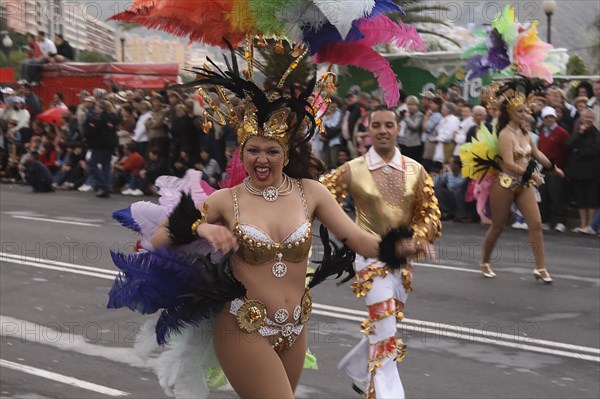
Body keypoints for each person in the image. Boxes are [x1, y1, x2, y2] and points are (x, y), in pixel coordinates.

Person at [321, 105, 441, 398]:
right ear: (368, 131)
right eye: (377, 125)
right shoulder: (353, 169)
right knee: (386, 332)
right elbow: (319, 197)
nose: (384, 130)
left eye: (389, 125)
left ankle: (359, 370)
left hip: (402, 263)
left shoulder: (416, 170)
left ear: (398, 129)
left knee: (384, 323)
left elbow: (431, 213)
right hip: (369, 262)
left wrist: (418, 237)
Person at [463, 82, 564, 283]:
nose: (524, 113)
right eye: (519, 110)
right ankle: (484, 261)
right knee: (498, 227)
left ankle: (540, 268)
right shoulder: (505, 135)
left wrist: (553, 167)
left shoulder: (525, 134)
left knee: (535, 224)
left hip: (523, 185)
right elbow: (508, 164)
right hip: (505, 185)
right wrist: (531, 174)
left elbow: (537, 153)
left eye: (525, 110)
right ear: (510, 112)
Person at [566, 108, 600, 234]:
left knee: (591, 199)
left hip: (591, 171)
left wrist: (578, 151)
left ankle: (591, 225)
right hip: (577, 171)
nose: (588, 120)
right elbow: (568, 144)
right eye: (586, 117)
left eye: (591, 117)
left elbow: (594, 149)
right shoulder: (578, 131)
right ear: (582, 118)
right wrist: (580, 133)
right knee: (580, 199)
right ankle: (582, 223)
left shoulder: (596, 133)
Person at [537, 106, 569, 233]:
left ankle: (560, 222)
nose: (549, 119)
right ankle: (546, 220)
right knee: (544, 195)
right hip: (543, 170)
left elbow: (567, 151)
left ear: (555, 118)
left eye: (551, 116)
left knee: (557, 196)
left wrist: (562, 167)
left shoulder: (562, 132)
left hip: (556, 168)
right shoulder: (542, 133)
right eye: (546, 117)